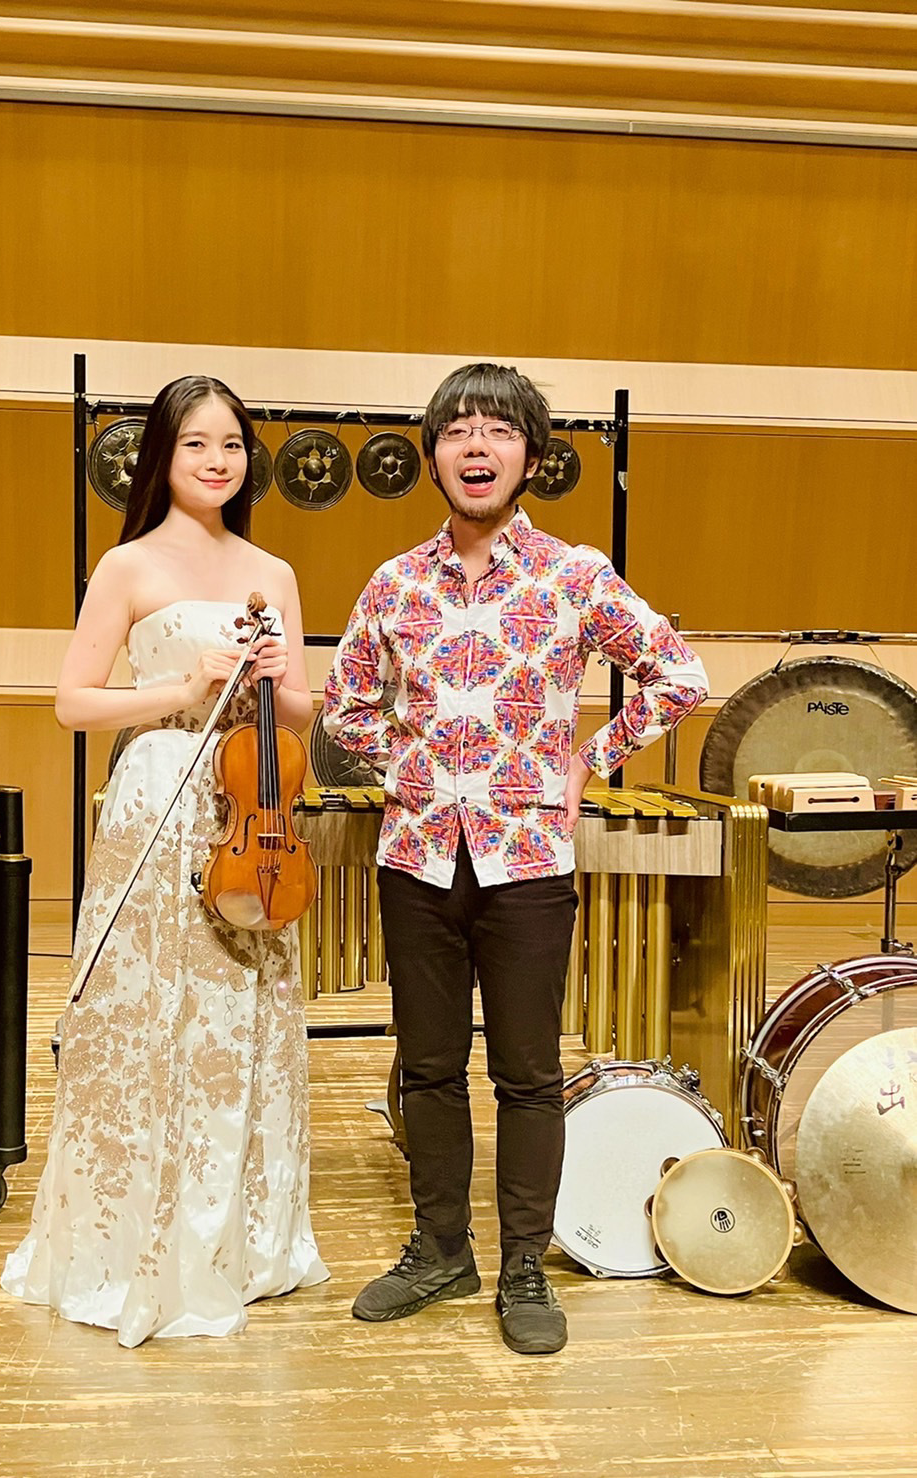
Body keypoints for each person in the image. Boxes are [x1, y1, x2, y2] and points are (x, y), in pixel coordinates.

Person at [323, 363, 707, 1356]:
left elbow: (678, 673)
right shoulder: (393, 582)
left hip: (527, 857)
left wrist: (589, 757)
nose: (476, 446)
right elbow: (344, 705)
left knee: (528, 1073)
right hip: (417, 855)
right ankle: (439, 1249)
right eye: (457, 430)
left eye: (497, 430)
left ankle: (524, 1263)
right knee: (427, 1067)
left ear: (530, 457)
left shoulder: (572, 574)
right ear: (434, 458)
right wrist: (408, 765)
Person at [3, 375, 328, 1346]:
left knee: (238, 1016)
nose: (218, 460)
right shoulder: (128, 565)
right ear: (162, 455)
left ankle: (238, 1245)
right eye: (196, 443)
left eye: (231, 444)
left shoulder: (272, 570)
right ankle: (128, 1246)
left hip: (252, 807)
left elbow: (302, 710)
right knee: (149, 1014)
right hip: (159, 790)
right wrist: (181, 689)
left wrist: (280, 679)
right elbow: (73, 701)